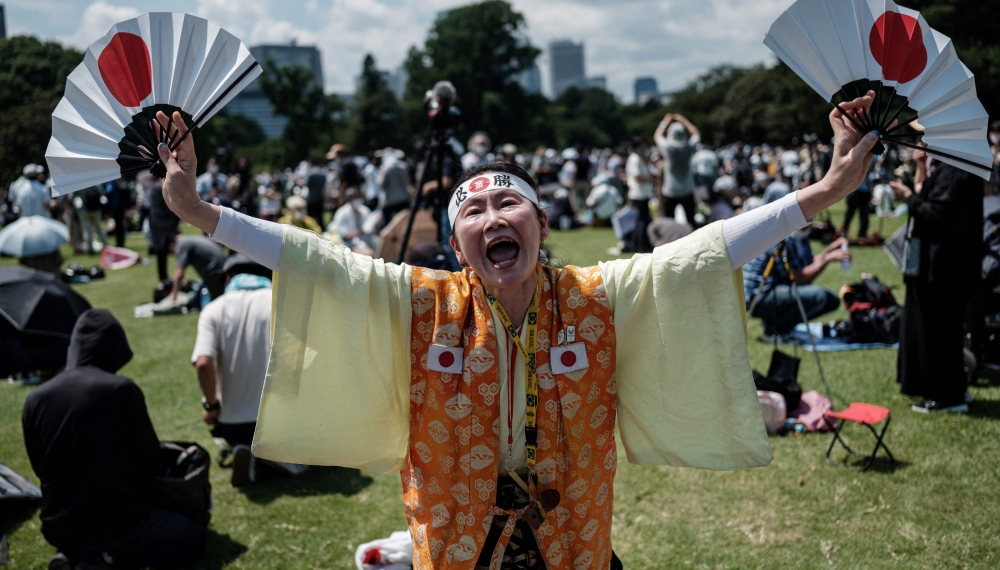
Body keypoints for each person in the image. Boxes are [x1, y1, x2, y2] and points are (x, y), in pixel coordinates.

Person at [151, 91, 878, 570]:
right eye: (475, 212)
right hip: (459, 540)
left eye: (511, 204)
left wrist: (823, 193)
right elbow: (314, 258)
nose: (494, 217)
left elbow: (709, 249)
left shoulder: (596, 296)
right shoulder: (422, 301)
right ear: (458, 241)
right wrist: (200, 211)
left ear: (542, 224)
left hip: (572, 539)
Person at [22, 310, 205, 568]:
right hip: (116, 522)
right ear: (113, 348)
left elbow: (41, 467)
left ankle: (74, 553)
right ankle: (106, 558)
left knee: (90, 528)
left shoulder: (35, 399)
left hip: (57, 525)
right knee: (192, 538)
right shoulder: (121, 389)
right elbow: (149, 463)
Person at [890, 147, 982, 413]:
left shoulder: (955, 169)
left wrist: (908, 197)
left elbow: (937, 215)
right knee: (945, 331)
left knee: (941, 331)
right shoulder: (955, 165)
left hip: (945, 265)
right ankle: (953, 390)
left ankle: (946, 396)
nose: (924, 141)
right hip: (946, 264)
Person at [192, 255, 276, 486]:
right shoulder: (283, 302)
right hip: (281, 421)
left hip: (232, 425)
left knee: (232, 431)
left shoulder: (213, 310)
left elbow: (203, 363)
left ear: (229, 276)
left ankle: (244, 448)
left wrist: (211, 406)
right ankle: (286, 460)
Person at [742, 187, 851, 338]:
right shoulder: (781, 235)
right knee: (818, 296)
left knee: (831, 299)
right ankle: (775, 328)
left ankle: (778, 324)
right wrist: (828, 258)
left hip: (777, 290)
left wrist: (829, 250)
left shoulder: (802, 233)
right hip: (759, 296)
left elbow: (808, 264)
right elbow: (798, 278)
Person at [654, 113, 699, 223]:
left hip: (670, 190)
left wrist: (665, 121)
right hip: (687, 189)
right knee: (691, 221)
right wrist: (683, 120)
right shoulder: (688, 147)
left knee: (670, 223)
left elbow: (657, 136)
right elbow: (696, 134)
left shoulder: (668, 148)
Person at [170, 234, 227, 301]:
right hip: (224, 268)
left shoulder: (181, 244)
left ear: (171, 246)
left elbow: (179, 273)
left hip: (216, 273)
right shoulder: (190, 239)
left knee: (195, 302)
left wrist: (173, 297)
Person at [624, 136, 654, 253]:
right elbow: (637, 177)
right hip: (639, 194)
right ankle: (641, 246)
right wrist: (650, 179)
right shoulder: (635, 159)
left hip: (643, 193)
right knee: (642, 222)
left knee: (642, 220)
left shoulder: (638, 158)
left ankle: (639, 245)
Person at [327, 187, 376, 255]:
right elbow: (344, 237)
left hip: (367, 242)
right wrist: (360, 232)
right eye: (355, 198)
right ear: (349, 199)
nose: (358, 200)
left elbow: (370, 228)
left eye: (359, 197)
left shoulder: (365, 210)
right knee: (369, 254)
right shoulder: (341, 214)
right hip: (349, 245)